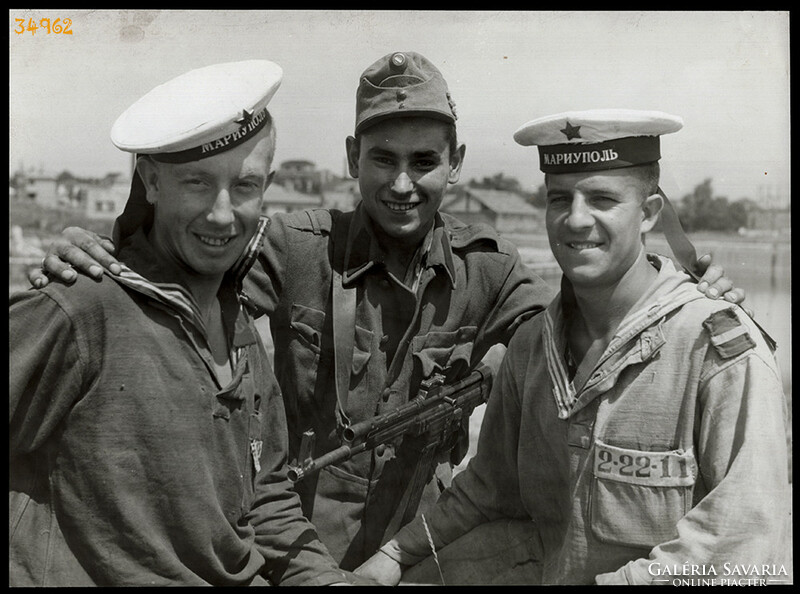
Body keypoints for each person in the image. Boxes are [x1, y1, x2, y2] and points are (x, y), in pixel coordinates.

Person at [28, 53, 746, 571]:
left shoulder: (489, 272)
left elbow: (591, 325)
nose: (403, 183)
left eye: (425, 160)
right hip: (286, 549)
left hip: (414, 552)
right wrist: (91, 247)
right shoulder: (291, 246)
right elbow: (179, 274)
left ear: (455, 162)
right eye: (383, 159)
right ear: (352, 157)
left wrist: (686, 289)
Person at [354, 109, 791, 585]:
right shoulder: (532, 348)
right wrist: (394, 558)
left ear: (648, 214)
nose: (576, 219)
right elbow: (489, 490)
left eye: (602, 198)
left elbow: (740, 549)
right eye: (560, 198)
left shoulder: (718, 353)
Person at [9, 60, 360, 586]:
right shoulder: (82, 309)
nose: (222, 214)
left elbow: (263, 497)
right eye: (197, 183)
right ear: (150, 181)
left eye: (244, 185)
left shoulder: (237, 318)